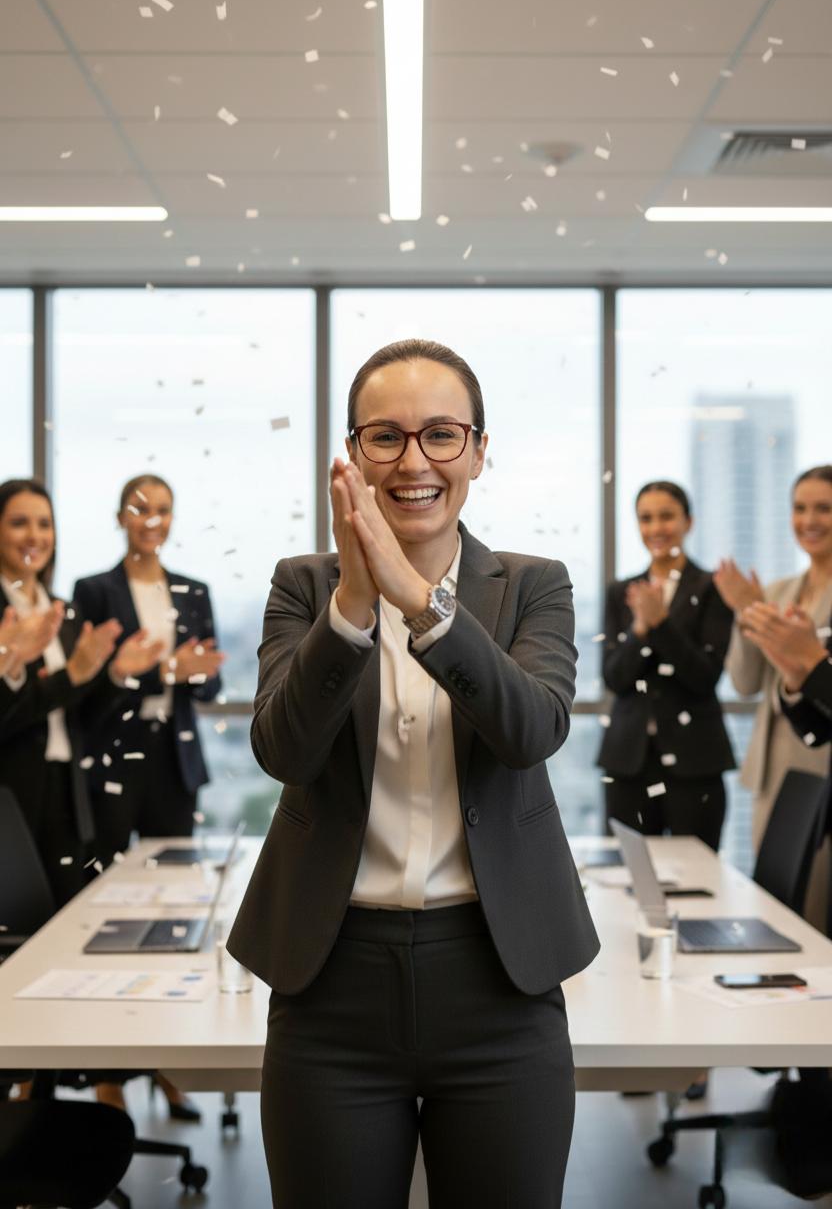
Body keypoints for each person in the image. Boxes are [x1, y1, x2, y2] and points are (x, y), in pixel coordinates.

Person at [227, 338, 599, 1209]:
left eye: (441, 434)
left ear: (477, 449)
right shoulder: (303, 585)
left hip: (499, 978)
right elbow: (283, 750)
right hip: (332, 983)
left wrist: (422, 602)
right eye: (385, 437)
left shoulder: (534, 586)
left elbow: (531, 729)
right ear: (353, 454)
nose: (414, 460)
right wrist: (354, 605)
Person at [0, 478, 162, 907]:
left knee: (65, 920)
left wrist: (113, 676)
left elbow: (82, 717)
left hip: (68, 791)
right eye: (19, 523)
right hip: (11, 791)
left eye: (44, 524)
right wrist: (64, 674)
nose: (35, 536)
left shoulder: (63, 612)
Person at [73, 474, 225, 868]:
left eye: (162, 511)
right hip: (115, 750)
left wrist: (196, 672)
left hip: (176, 757)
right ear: (120, 518)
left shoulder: (194, 592)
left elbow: (210, 687)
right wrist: (167, 671)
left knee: (175, 875)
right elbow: (90, 689)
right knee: (105, 874)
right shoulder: (93, 591)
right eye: (140, 509)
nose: (151, 521)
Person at [715, 464, 832, 927]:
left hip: (820, 763)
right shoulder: (781, 591)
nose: (809, 520)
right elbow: (745, 681)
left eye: (824, 508)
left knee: (814, 910)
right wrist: (746, 612)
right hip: (772, 767)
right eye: (800, 508)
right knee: (776, 905)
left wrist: (808, 659)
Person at [598, 481, 735, 850]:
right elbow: (614, 677)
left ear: (688, 521)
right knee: (628, 877)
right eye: (646, 518)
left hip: (695, 763)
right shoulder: (621, 591)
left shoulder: (711, 589)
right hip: (628, 762)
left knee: (700, 881)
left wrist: (660, 625)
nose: (656, 528)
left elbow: (704, 676)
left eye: (666, 516)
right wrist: (640, 630)